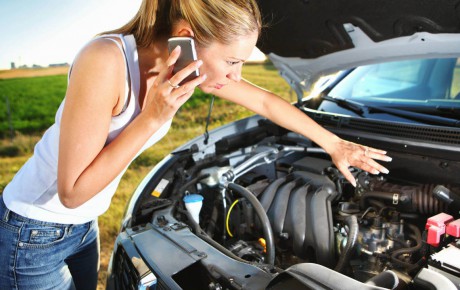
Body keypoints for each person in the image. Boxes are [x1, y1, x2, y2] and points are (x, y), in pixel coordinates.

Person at [0, 0, 392, 289]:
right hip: (33, 230)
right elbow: (71, 192)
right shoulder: (106, 60)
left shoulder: (178, 69)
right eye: (233, 62)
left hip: (82, 227)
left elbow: (267, 102)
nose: (236, 76)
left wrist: (334, 144)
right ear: (187, 36)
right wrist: (151, 117)